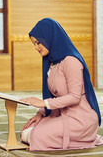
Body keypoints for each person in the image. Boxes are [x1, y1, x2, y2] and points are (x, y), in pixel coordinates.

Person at [20, 18, 103, 151]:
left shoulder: (71, 61)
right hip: (60, 115)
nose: (36, 48)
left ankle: (84, 137)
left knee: (36, 135)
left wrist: (43, 103)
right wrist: (40, 114)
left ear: (49, 37)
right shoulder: (52, 63)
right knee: (26, 131)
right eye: (34, 44)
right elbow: (54, 96)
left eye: (38, 43)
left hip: (80, 119)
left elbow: (75, 97)